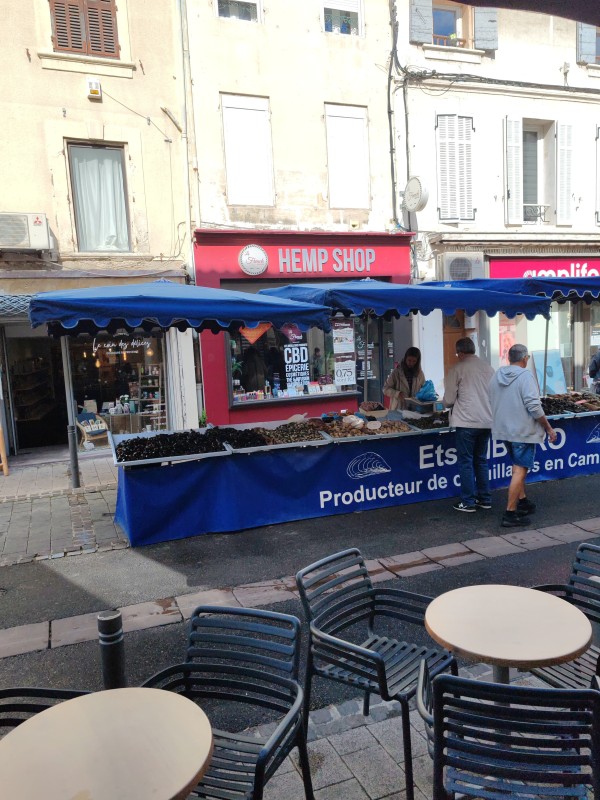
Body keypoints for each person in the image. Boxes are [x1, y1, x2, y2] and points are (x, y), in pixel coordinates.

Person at [489, 343, 557, 528]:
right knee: (520, 470)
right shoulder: (526, 376)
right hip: (522, 431)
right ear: (525, 358)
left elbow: (491, 397)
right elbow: (534, 406)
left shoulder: (497, 374)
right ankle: (510, 513)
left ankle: (523, 501)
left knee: (516, 468)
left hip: (504, 430)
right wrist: (548, 428)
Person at [443, 337, 495, 513]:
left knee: (466, 461)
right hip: (487, 421)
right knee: (481, 460)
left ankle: (468, 501)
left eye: (457, 353)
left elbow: (448, 400)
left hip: (466, 422)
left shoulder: (458, 369)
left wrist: (444, 404)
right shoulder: (488, 368)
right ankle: (485, 499)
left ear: (461, 353)